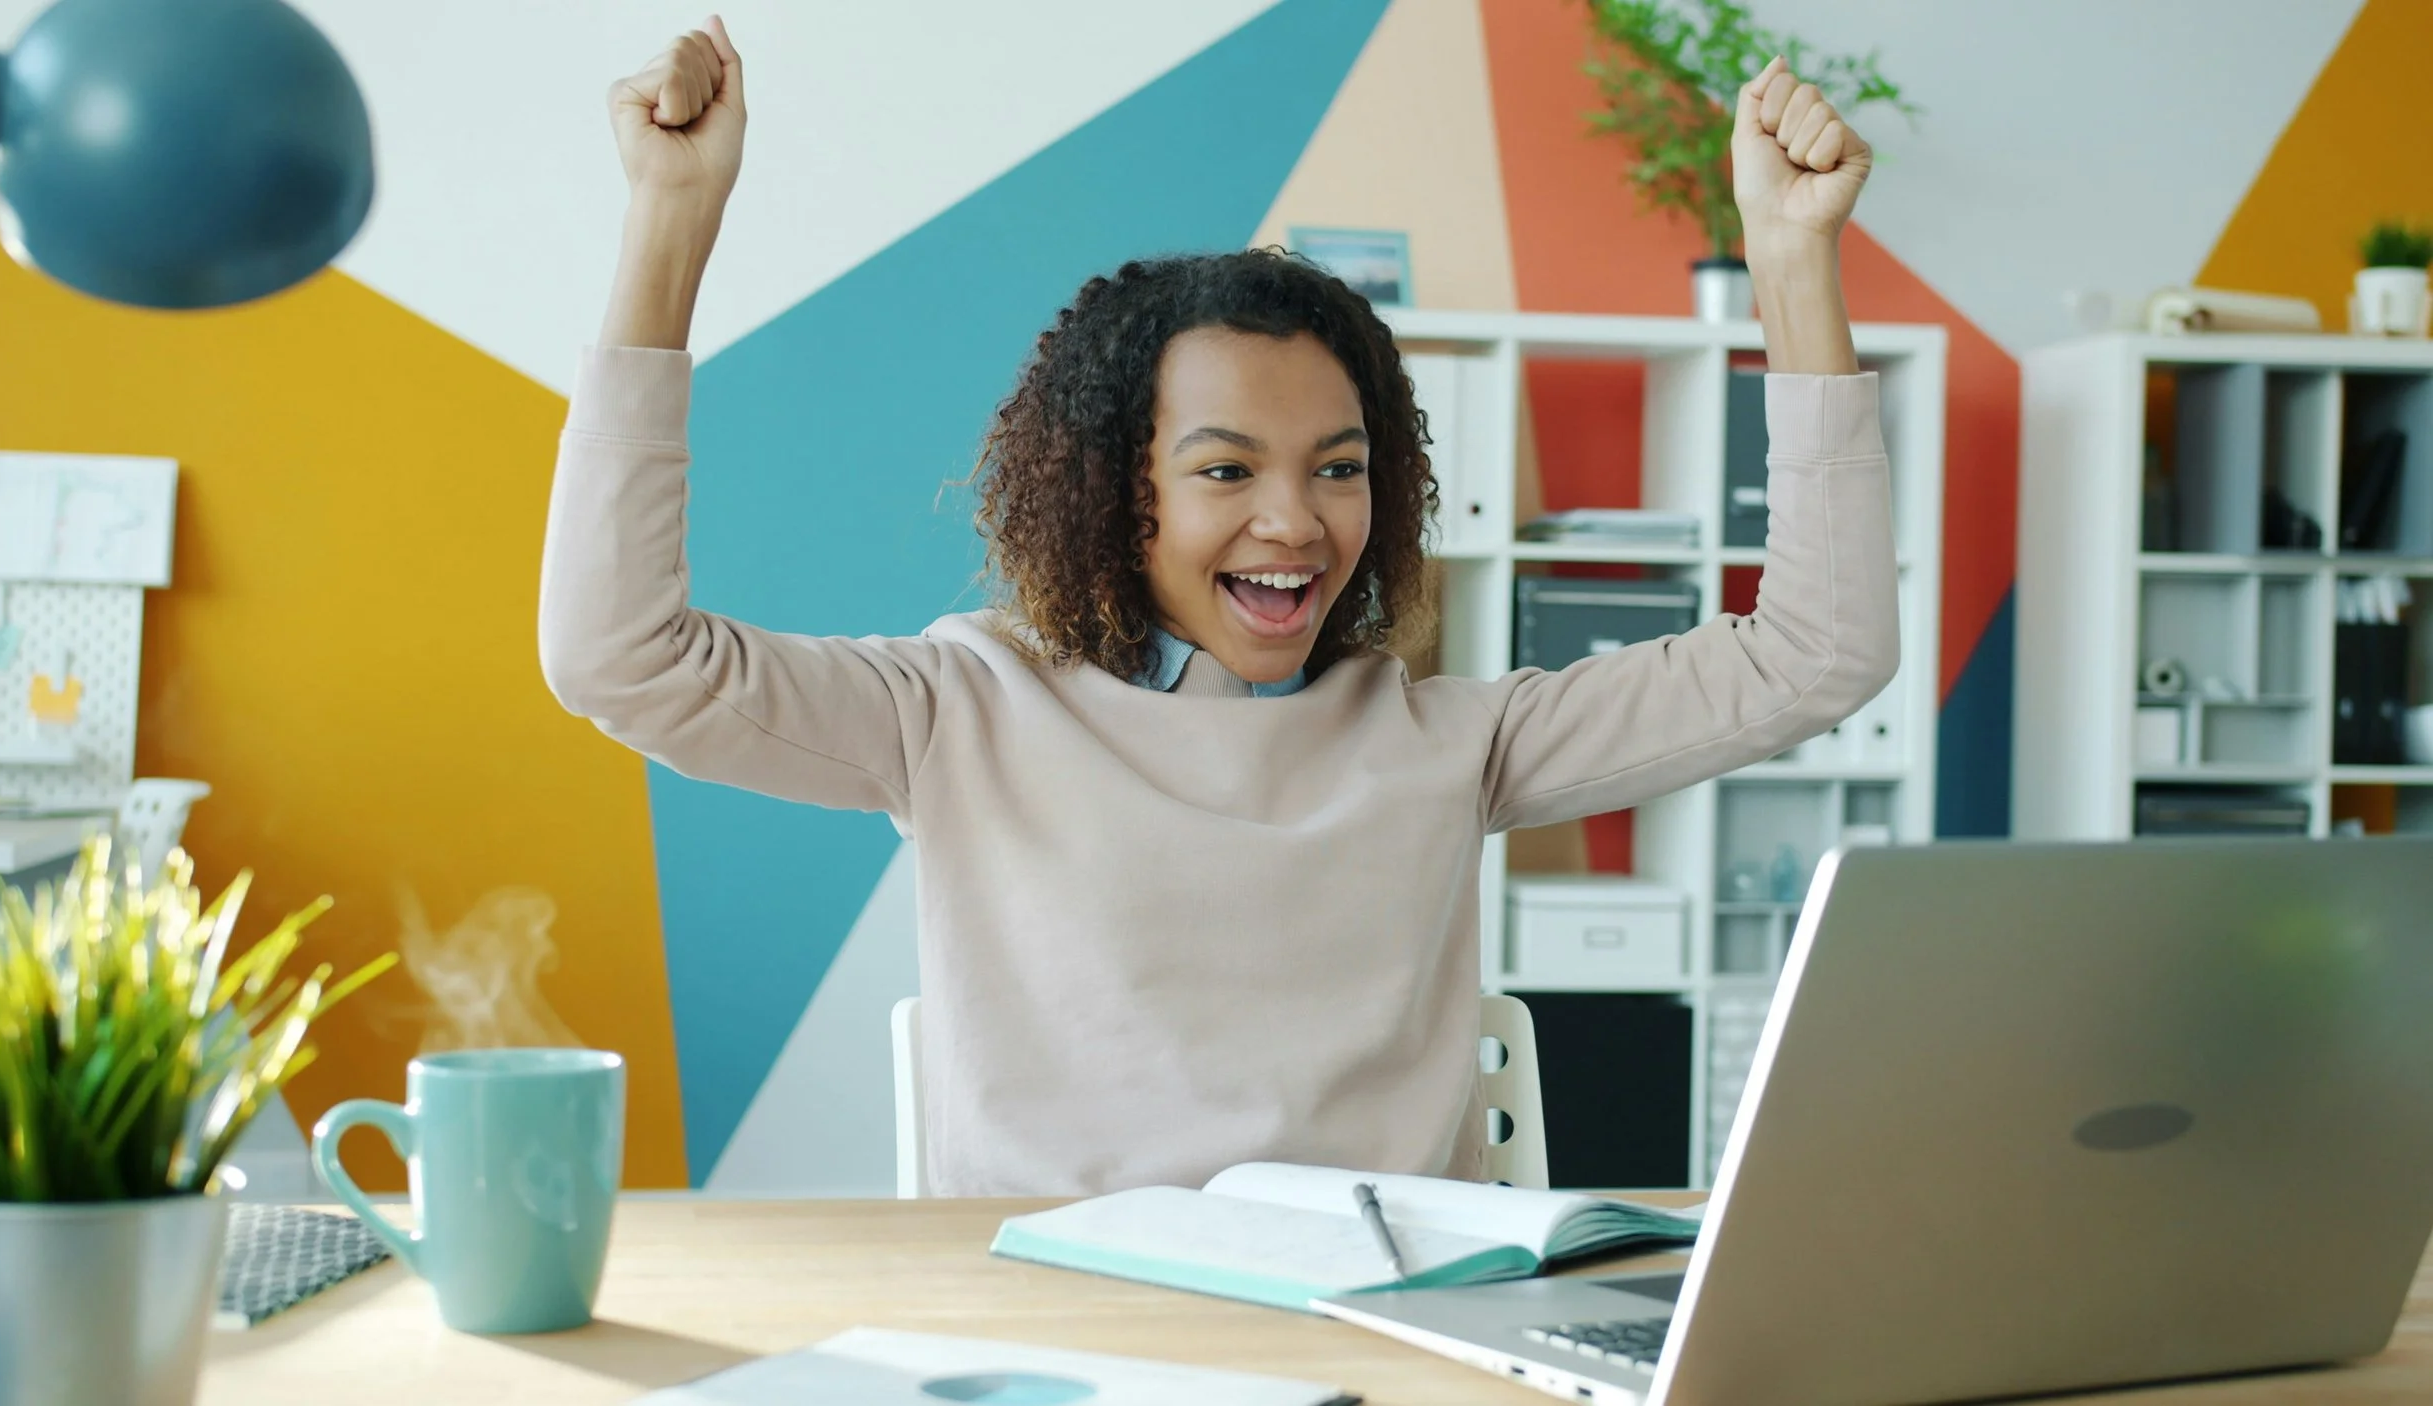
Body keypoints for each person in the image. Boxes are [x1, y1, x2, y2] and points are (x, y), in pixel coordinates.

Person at [541, 17, 1898, 1196]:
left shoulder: (1448, 739)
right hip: (1066, 1344)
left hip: (1382, 1329)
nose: (1296, 520)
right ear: (1111, 492)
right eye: (1225, 470)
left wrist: (1791, 267)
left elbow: (1819, 651)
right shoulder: (962, 711)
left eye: (1340, 469)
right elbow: (622, 658)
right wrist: (670, 227)